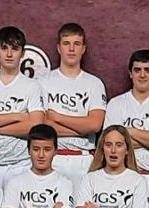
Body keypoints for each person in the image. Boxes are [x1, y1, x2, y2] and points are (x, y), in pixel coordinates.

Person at [0, 26, 45, 186]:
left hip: (20, 164)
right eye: (4, 48)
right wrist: (16, 116)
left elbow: (35, 126)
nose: (9, 54)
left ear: (23, 53)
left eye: (15, 49)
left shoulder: (32, 86)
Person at [41, 23, 107, 188]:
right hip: (52, 158)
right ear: (58, 48)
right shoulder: (43, 82)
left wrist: (57, 117)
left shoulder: (94, 83)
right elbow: (41, 126)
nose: (71, 49)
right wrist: (81, 128)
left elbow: (95, 125)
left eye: (76, 44)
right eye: (66, 44)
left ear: (83, 49)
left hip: (83, 160)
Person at [104, 50, 149, 174]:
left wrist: (127, 131)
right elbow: (111, 143)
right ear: (130, 73)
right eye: (137, 70)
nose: (142, 75)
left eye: (148, 70)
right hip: (123, 175)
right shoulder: (116, 103)